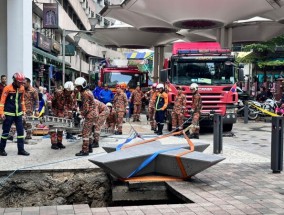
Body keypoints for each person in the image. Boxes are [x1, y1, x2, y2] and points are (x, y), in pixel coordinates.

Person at [0, 72, 29, 156]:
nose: (20, 84)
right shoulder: (7, 88)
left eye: (21, 82)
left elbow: (22, 100)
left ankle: (21, 150)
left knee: (20, 132)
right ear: (15, 80)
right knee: (5, 132)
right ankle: (1, 149)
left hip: (18, 113)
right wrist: (1, 113)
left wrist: (24, 111)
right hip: (8, 114)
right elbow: (2, 102)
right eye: (19, 82)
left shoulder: (22, 88)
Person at [50, 81, 77, 150]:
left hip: (62, 111)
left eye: (71, 91)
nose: (69, 92)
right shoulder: (58, 93)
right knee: (53, 127)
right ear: (65, 89)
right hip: (55, 110)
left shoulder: (70, 95)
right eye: (68, 91)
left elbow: (70, 105)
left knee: (61, 127)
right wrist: (52, 111)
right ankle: (53, 143)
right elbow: (52, 101)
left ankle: (59, 142)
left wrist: (69, 113)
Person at [74, 77, 97, 156]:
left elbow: (86, 108)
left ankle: (85, 151)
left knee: (85, 133)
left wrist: (80, 114)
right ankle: (89, 147)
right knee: (89, 132)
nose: (77, 88)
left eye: (79, 86)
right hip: (93, 114)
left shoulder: (85, 94)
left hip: (90, 115)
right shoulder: (88, 92)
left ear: (83, 85)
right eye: (77, 86)